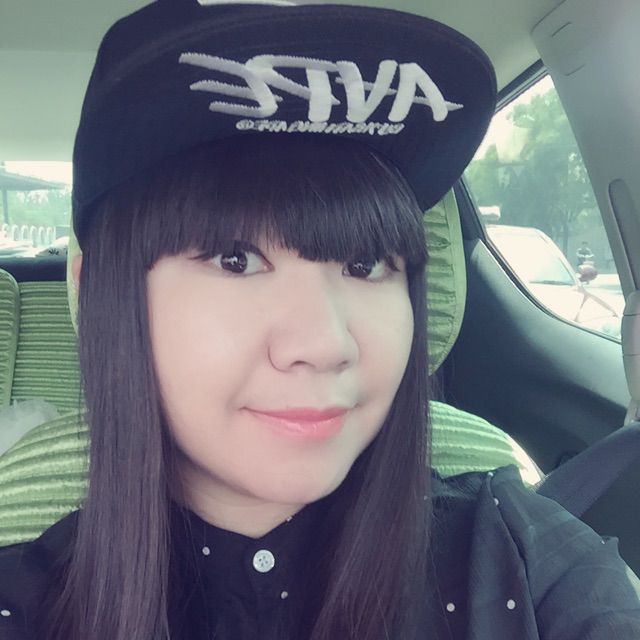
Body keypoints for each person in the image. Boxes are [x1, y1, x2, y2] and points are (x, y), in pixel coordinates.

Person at [1, 1, 640, 639]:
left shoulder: (525, 559)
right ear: (96, 295)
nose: (326, 343)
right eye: (234, 259)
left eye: (366, 265)